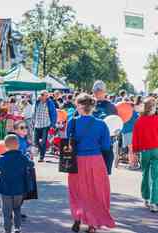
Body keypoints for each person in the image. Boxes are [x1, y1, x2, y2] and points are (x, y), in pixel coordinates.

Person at [66, 93, 115, 233]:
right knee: (95, 192)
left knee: (76, 191)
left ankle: (77, 218)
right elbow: (106, 146)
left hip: (76, 161)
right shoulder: (101, 124)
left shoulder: (72, 122)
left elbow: (67, 141)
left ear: (79, 107)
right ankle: (92, 224)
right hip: (95, 161)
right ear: (92, 107)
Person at [132, 97, 158, 212]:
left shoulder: (139, 121)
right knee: (156, 176)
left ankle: (146, 198)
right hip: (156, 149)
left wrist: (134, 151)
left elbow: (135, 137)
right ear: (153, 108)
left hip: (144, 151)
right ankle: (155, 202)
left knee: (145, 174)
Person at [0, 134, 34, 233]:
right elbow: (31, 164)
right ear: (18, 145)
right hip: (19, 189)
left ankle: (7, 230)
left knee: (6, 211)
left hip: (5, 189)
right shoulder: (22, 157)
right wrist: (29, 156)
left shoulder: (2, 158)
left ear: (5, 146)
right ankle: (17, 228)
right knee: (17, 208)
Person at [92, 80, 117, 174]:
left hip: (105, 144)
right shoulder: (87, 104)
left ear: (104, 92)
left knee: (103, 174)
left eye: (100, 90)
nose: (98, 92)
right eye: (96, 90)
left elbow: (116, 125)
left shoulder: (111, 106)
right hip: (90, 145)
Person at [33, 90, 57, 162]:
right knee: (36, 141)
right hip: (37, 124)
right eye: (44, 95)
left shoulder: (49, 103)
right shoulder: (37, 102)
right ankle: (42, 151)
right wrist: (33, 121)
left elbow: (54, 113)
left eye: (47, 96)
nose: (46, 97)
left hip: (46, 125)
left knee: (43, 142)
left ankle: (41, 156)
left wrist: (53, 124)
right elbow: (34, 112)